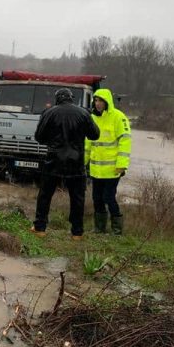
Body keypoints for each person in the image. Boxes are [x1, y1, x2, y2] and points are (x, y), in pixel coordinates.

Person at [32, 88, 100, 240]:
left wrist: (52, 140)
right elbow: (95, 134)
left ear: (57, 99)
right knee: (77, 198)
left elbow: (39, 137)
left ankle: (40, 228)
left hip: (53, 161)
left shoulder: (49, 113)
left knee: (45, 195)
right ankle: (77, 232)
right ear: (71, 98)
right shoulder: (83, 113)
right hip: (76, 162)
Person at [85, 89, 131, 235]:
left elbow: (125, 141)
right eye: (96, 101)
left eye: (100, 101)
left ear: (107, 102)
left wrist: (121, 165)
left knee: (108, 197)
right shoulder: (92, 118)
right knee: (97, 198)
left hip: (112, 170)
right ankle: (99, 229)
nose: (98, 104)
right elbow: (87, 144)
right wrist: (82, 163)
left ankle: (117, 230)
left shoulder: (118, 117)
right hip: (96, 169)